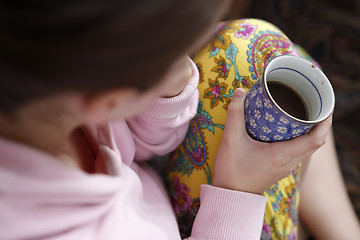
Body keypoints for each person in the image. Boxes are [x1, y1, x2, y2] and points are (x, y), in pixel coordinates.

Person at [0, 1, 356, 240]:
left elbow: (139, 142)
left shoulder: (43, 84)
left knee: (255, 46)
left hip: (153, 191)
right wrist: (238, 191)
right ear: (111, 98)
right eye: (178, 56)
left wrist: (166, 91)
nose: (189, 64)